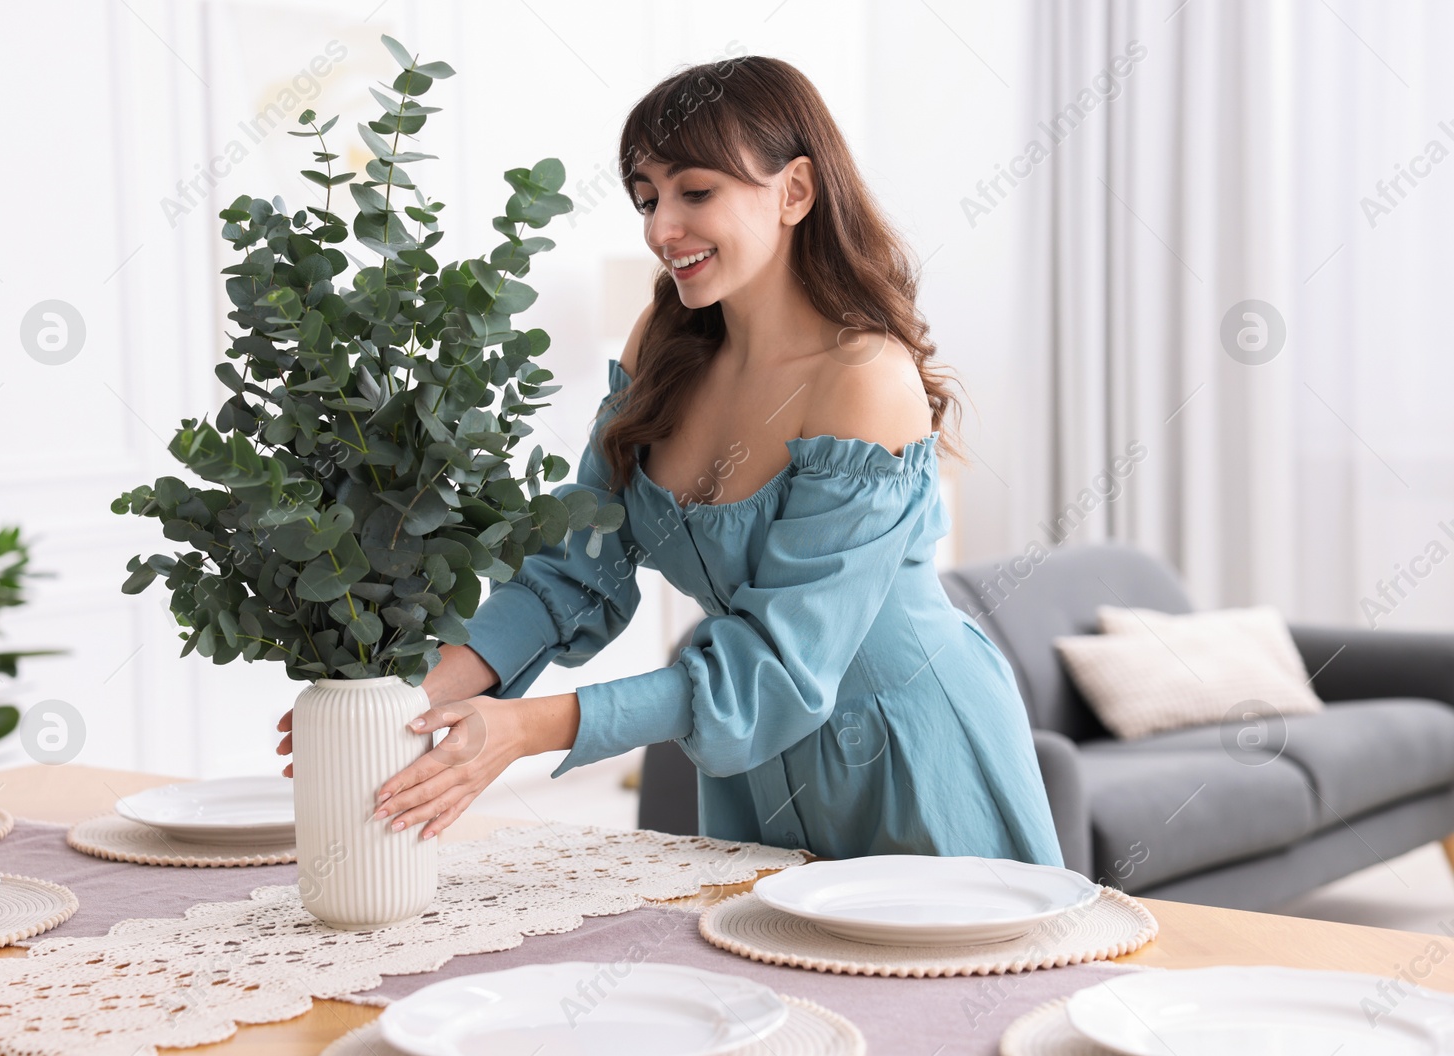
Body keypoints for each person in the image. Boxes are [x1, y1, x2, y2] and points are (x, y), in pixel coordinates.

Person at [277, 55, 1064, 867]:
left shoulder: (863, 379)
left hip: (908, 750)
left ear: (794, 190)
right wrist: (415, 695)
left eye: (695, 191)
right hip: (753, 758)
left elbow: (778, 664)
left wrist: (529, 728)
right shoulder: (662, 346)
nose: (660, 230)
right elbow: (576, 568)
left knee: (943, 989)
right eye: (648, 198)